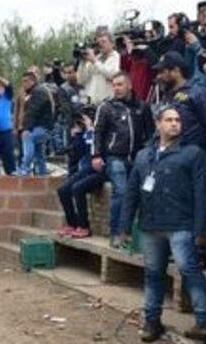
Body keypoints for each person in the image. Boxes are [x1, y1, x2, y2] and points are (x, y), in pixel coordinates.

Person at [122, 106, 206, 343]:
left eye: (178, 120)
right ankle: (152, 320)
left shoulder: (193, 154)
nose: (174, 124)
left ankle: (205, 320)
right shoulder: (144, 156)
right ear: (158, 123)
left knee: (189, 269)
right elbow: (132, 192)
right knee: (153, 273)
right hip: (150, 225)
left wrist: (201, 229)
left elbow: (201, 193)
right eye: (169, 120)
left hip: (180, 223)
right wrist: (124, 226)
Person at [92, 73, 154, 247]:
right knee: (122, 191)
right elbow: (97, 132)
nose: (117, 88)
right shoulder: (106, 107)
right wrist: (96, 155)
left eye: (120, 84)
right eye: (114, 85)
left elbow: (150, 133)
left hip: (137, 158)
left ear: (129, 85)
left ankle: (140, 235)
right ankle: (117, 234)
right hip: (115, 157)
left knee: (143, 193)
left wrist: (149, 153)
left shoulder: (142, 107)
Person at [152, 51, 206, 154]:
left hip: (190, 156)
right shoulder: (167, 96)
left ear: (175, 71)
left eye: (162, 72)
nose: (159, 76)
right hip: (166, 155)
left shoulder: (199, 94)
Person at [56, 110, 104, 238]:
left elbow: (95, 149)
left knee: (77, 188)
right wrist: (76, 136)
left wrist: (91, 130)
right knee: (62, 190)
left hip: (99, 170)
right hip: (84, 169)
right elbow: (77, 154)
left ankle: (84, 226)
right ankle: (72, 223)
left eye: (84, 119)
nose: (82, 122)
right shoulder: (83, 134)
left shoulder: (99, 133)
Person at [17, 71, 55, 176]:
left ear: (33, 81)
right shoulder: (32, 92)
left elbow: (32, 111)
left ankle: (24, 169)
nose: (24, 84)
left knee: (28, 137)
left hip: (43, 128)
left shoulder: (39, 92)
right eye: (22, 81)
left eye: (26, 81)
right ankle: (42, 175)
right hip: (40, 127)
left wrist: (26, 129)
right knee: (39, 153)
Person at [78, 31, 121, 105]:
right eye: (98, 42)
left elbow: (112, 75)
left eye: (103, 42)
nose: (100, 45)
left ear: (112, 44)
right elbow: (81, 80)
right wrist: (83, 62)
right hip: (92, 103)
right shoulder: (96, 58)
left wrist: (94, 61)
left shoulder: (116, 57)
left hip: (108, 103)